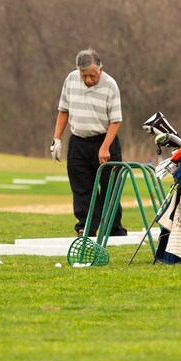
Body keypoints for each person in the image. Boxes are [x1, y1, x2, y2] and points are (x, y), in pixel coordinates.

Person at [50, 49, 128, 237]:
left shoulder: (110, 85)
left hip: (105, 141)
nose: (88, 80)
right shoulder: (70, 80)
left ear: (100, 69)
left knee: (110, 189)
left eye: (92, 75)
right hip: (78, 143)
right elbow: (63, 110)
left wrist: (104, 147)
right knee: (82, 188)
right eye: (84, 75)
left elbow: (115, 120)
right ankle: (86, 228)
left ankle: (114, 229)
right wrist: (56, 139)